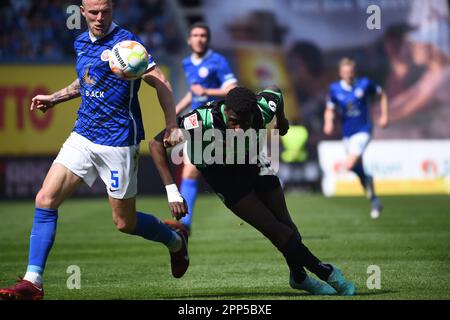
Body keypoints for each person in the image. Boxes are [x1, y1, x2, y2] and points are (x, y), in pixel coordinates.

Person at [0, 0, 188, 301]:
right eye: (94, 12)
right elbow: (86, 81)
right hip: (83, 136)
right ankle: (32, 282)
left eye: (106, 11)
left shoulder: (127, 44)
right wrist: (54, 98)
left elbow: (161, 82)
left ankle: (175, 241)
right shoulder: (79, 42)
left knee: (125, 224)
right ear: (82, 12)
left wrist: (171, 125)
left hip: (118, 142)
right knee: (45, 199)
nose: (100, 18)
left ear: (112, 10)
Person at [150, 86, 356, 295]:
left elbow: (276, 92)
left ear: (254, 113)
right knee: (274, 229)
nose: (238, 128)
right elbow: (155, 145)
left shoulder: (263, 108)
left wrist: (281, 120)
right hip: (223, 176)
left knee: (288, 227)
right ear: (226, 110)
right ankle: (327, 272)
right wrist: (173, 192)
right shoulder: (200, 120)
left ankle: (299, 277)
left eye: (244, 122)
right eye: (233, 121)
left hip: (253, 161)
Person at [166, 22, 238, 234]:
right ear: (189, 40)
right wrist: (176, 111)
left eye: (203, 35)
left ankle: (183, 224)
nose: (199, 39)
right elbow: (193, 92)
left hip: (215, 121)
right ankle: (184, 225)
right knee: (190, 172)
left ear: (208, 39)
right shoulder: (187, 63)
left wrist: (207, 90)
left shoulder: (217, 61)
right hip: (196, 122)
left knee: (194, 171)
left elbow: (231, 89)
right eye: (195, 35)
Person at [323, 58, 389, 219]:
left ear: (355, 72)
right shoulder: (334, 89)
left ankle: (369, 185)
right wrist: (328, 122)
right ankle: (374, 200)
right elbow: (329, 108)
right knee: (356, 169)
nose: (348, 75)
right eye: (345, 72)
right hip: (347, 134)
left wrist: (384, 116)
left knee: (349, 164)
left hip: (363, 130)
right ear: (340, 73)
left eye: (351, 72)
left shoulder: (365, 84)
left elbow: (382, 95)